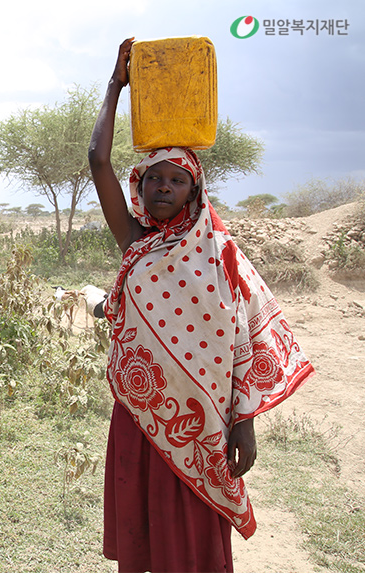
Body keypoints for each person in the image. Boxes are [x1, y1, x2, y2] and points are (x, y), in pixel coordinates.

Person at [88, 38, 313, 572]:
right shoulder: (135, 241)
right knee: (145, 526)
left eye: (177, 180)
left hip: (206, 419)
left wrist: (245, 422)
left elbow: (243, 336)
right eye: (154, 179)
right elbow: (98, 161)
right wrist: (116, 86)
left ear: (193, 191)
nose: (163, 187)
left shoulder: (222, 255)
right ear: (140, 188)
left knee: (190, 534)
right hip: (145, 412)